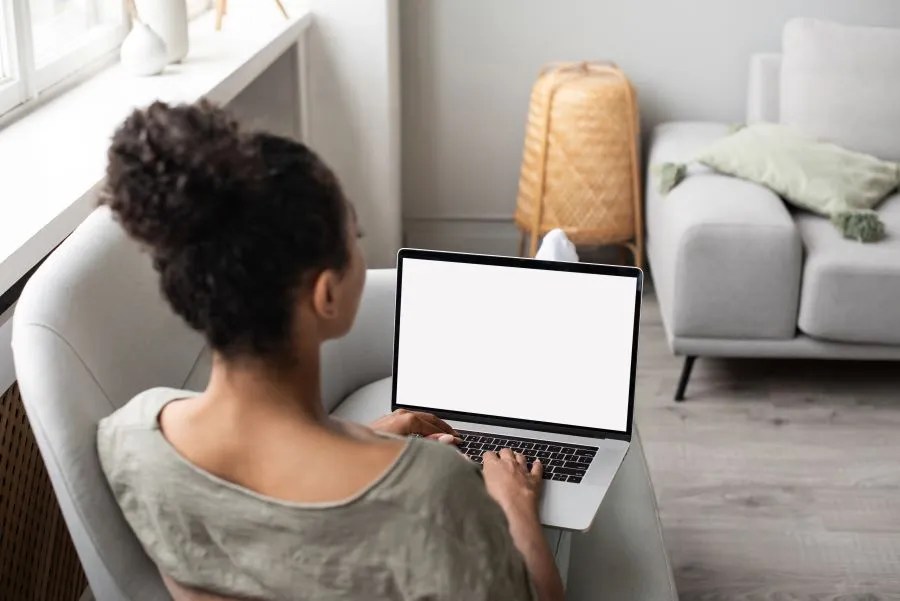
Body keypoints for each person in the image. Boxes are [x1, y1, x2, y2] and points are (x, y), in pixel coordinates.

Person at [96, 100, 565, 601]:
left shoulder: (130, 439)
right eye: (355, 238)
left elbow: (270, 524)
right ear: (326, 294)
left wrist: (363, 440)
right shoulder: (436, 492)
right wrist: (513, 507)